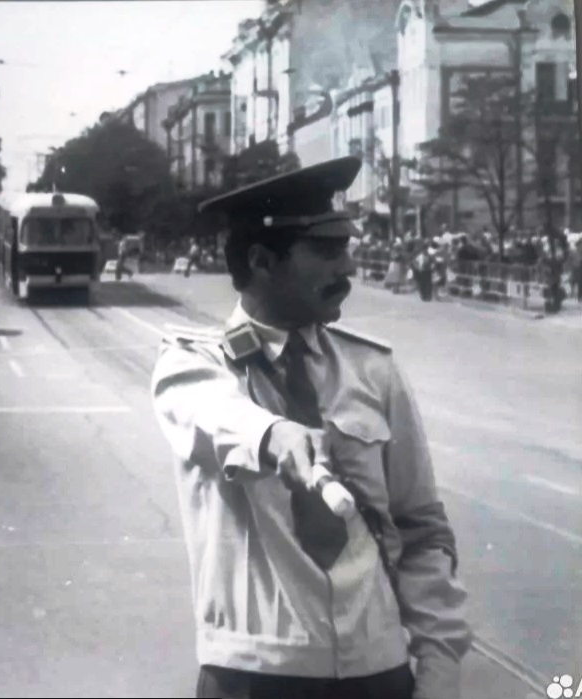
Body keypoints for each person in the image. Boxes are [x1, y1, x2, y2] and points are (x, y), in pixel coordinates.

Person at [151, 156, 471, 699]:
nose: (347, 268)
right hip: (255, 674)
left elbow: (420, 527)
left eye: (345, 248)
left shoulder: (374, 370)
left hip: (378, 672)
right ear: (261, 260)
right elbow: (213, 414)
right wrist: (275, 436)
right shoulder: (193, 365)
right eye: (326, 251)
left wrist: (439, 670)